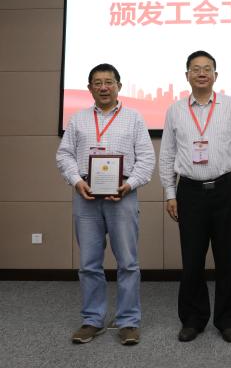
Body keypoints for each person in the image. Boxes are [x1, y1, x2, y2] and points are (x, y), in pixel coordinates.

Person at [56, 63, 155, 346]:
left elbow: (146, 158)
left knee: (128, 264)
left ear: (119, 86)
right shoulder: (78, 119)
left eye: (109, 82)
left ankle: (128, 322)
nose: (103, 87)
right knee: (89, 263)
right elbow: (64, 155)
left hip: (123, 195)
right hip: (86, 196)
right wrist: (77, 181)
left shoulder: (134, 118)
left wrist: (129, 185)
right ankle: (92, 320)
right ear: (89, 88)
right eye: (97, 83)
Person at [159, 50, 231, 344]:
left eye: (207, 68)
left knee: (227, 259)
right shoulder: (175, 110)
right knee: (192, 260)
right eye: (196, 69)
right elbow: (167, 155)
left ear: (215, 75)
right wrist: (170, 193)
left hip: (225, 189)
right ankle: (192, 320)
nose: (202, 73)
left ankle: (228, 321)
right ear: (187, 75)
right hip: (189, 192)